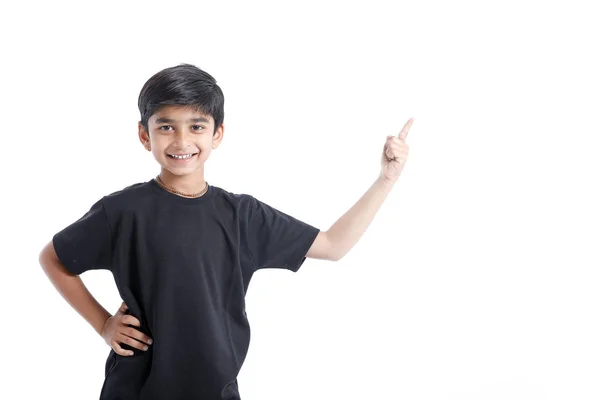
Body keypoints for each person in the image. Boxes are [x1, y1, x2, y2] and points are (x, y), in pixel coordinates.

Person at [38, 63, 413, 400]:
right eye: (166, 126)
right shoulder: (121, 211)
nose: (182, 141)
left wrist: (386, 179)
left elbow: (333, 245)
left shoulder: (242, 216)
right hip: (136, 389)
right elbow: (53, 258)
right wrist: (103, 323)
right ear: (144, 135)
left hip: (214, 390)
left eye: (197, 126)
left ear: (217, 134)